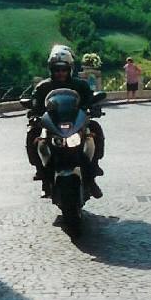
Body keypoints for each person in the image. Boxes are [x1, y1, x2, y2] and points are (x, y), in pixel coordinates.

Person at [26, 44, 105, 199]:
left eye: (63, 69)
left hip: (76, 123)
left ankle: (92, 172)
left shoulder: (80, 85)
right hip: (52, 125)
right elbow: (35, 103)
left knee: (95, 127)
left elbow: (89, 99)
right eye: (57, 69)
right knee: (32, 133)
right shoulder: (43, 87)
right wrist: (34, 114)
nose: (60, 73)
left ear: (70, 69)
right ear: (51, 70)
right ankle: (42, 174)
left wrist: (93, 108)